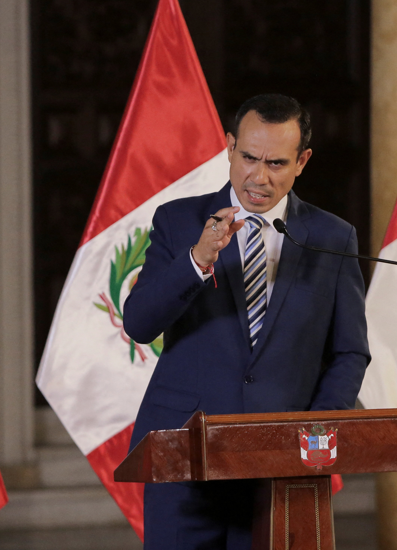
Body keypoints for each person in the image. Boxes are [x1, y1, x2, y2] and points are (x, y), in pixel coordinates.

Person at [122, 94, 370, 550]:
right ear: (230, 147)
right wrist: (197, 260)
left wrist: (313, 434)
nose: (259, 177)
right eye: (249, 158)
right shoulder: (179, 222)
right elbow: (138, 323)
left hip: (281, 465)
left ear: (302, 161)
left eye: (276, 163)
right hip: (186, 460)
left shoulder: (333, 237)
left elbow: (349, 351)